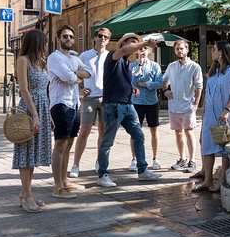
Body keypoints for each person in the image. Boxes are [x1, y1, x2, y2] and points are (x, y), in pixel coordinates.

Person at [96, 33, 161, 186]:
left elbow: (117, 80)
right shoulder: (114, 55)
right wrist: (145, 42)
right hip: (113, 105)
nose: (135, 45)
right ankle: (102, 174)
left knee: (138, 135)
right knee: (108, 142)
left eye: (136, 43)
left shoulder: (125, 62)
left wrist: (131, 88)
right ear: (124, 43)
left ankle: (143, 170)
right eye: (132, 42)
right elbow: (126, 50)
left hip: (127, 104)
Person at [47, 25, 91, 199]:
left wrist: (74, 74)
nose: (69, 39)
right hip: (60, 105)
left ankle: (65, 181)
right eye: (65, 36)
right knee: (59, 145)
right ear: (58, 39)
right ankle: (57, 186)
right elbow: (69, 78)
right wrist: (75, 76)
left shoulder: (74, 58)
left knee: (69, 144)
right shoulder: (54, 58)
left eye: (71, 37)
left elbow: (88, 73)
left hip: (74, 104)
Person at [193, 41, 230, 192]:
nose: (211, 52)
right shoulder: (213, 72)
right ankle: (207, 180)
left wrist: (226, 110)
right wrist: (204, 114)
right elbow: (208, 95)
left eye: (213, 49)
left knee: (224, 146)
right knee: (206, 146)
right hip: (209, 116)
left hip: (224, 116)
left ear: (221, 52)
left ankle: (222, 181)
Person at [12, 30, 52, 213]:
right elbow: (24, 90)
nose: (46, 45)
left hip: (42, 108)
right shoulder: (23, 60)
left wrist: (48, 114)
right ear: (36, 43)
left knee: (33, 154)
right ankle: (27, 195)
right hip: (29, 109)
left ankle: (25, 193)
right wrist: (35, 115)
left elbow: (45, 91)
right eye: (43, 42)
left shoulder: (40, 62)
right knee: (26, 154)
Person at [70, 28, 111, 178]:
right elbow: (74, 72)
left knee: (103, 131)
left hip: (106, 98)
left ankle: (100, 162)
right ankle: (75, 165)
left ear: (108, 40)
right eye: (100, 36)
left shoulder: (110, 56)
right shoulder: (85, 56)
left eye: (106, 37)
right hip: (89, 98)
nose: (102, 39)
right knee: (84, 131)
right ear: (94, 38)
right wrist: (81, 87)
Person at [161, 39, 203, 173]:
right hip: (173, 106)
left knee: (189, 132)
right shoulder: (171, 66)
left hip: (187, 105)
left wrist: (196, 104)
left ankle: (192, 161)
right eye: (177, 49)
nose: (179, 51)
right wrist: (165, 91)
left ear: (187, 50)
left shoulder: (194, 67)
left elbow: (199, 87)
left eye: (182, 48)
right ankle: (182, 159)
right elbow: (164, 81)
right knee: (178, 133)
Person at [130, 43, 163, 170]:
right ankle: (134, 159)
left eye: (144, 48)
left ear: (149, 50)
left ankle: (155, 158)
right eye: (140, 48)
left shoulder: (155, 66)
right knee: (135, 131)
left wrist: (145, 84)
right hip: (136, 102)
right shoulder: (132, 65)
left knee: (154, 130)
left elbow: (159, 83)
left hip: (151, 102)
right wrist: (139, 64)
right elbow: (132, 82)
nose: (142, 50)